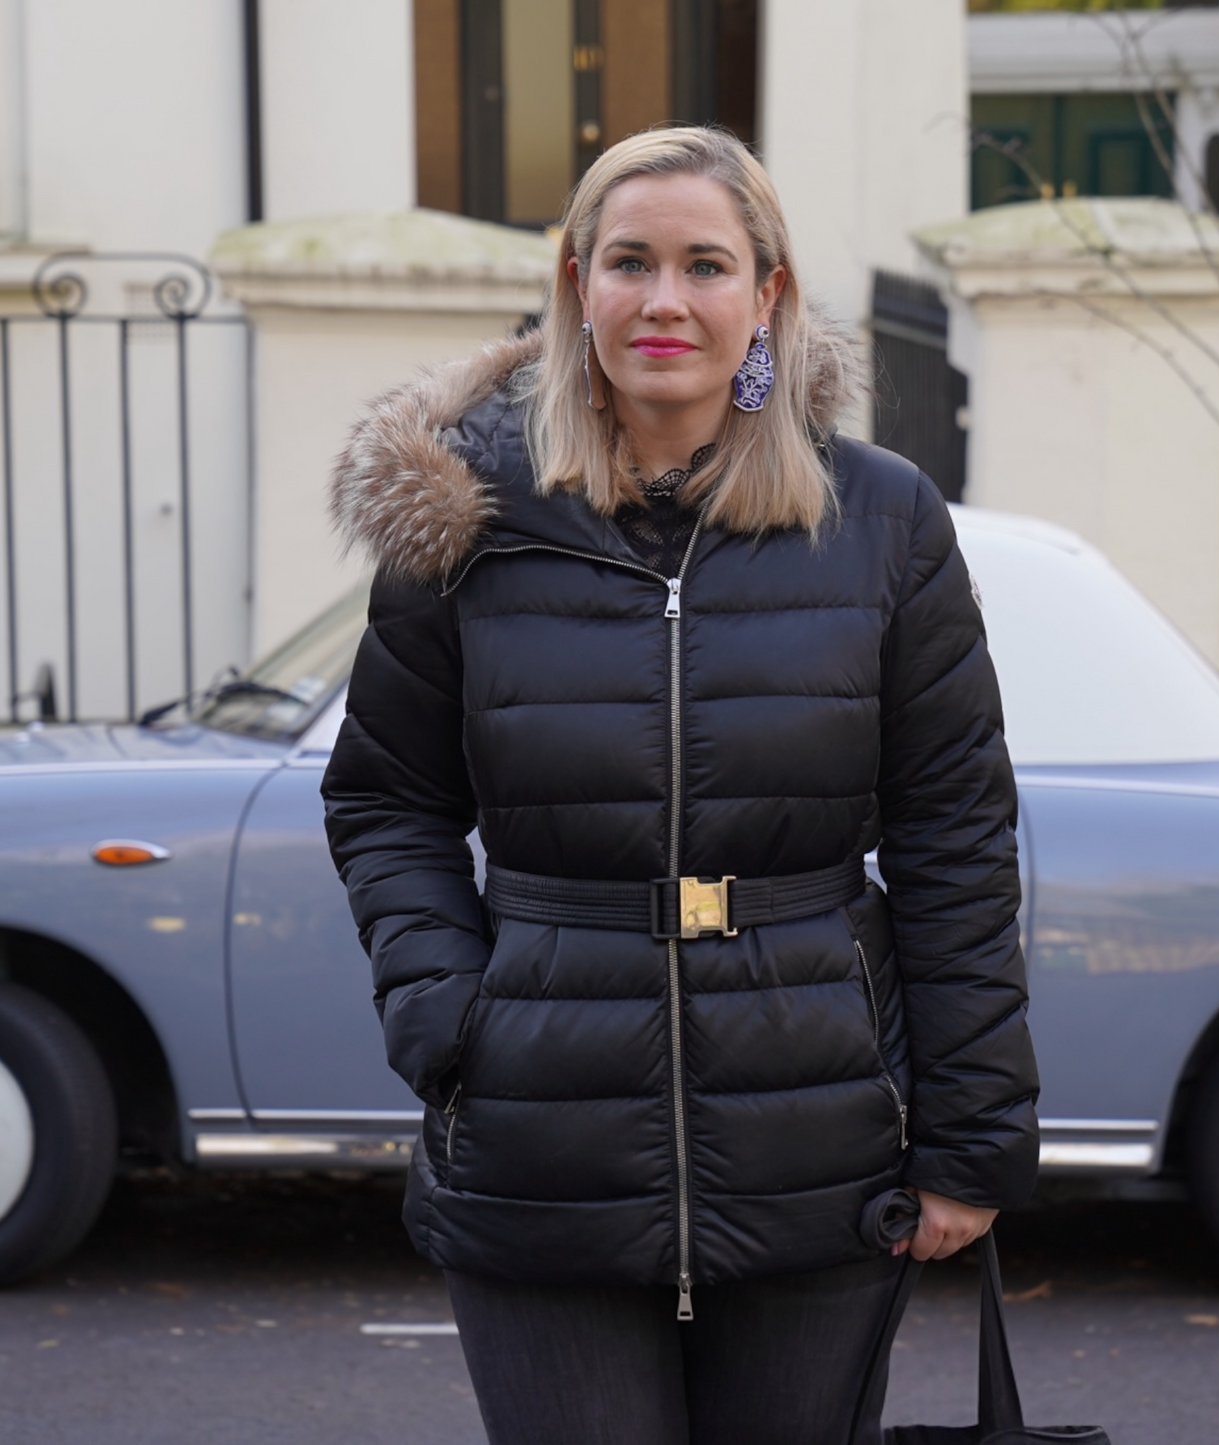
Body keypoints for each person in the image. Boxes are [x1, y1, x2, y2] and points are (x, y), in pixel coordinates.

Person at [322, 125, 1038, 1445]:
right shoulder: (465, 522)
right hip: (541, 1137)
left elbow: (956, 836)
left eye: (706, 264)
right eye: (630, 262)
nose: (665, 301)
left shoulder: (880, 521)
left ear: (766, 292)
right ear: (575, 281)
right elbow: (384, 798)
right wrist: (445, 1009)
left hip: (818, 1137)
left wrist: (971, 1135)